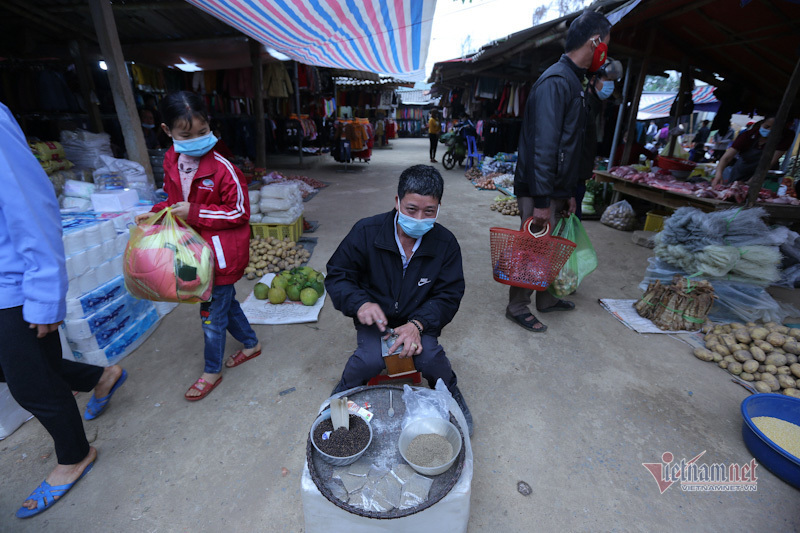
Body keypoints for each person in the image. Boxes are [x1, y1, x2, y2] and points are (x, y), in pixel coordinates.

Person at [0, 102, 128, 519]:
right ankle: (102, 375)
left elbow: (30, 207)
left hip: (11, 286)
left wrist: (43, 292)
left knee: (30, 384)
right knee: (21, 366)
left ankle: (75, 453)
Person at [325, 165, 473, 434]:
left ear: (438, 208)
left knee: (431, 357)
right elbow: (338, 275)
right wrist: (360, 303)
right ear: (397, 202)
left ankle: (451, 394)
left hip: (418, 320)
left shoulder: (445, 243)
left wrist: (417, 324)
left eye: (429, 211)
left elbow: (449, 294)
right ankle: (340, 397)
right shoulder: (366, 232)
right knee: (367, 361)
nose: (419, 218)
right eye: (411, 209)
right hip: (377, 321)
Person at [134, 91, 260, 401]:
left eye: (202, 132)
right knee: (224, 305)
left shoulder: (223, 168)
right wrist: (159, 211)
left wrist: (197, 212)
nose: (197, 139)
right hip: (191, 251)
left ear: (210, 125)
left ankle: (211, 371)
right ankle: (252, 343)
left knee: (210, 315)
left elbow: (240, 212)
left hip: (219, 257)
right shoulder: (171, 161)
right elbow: (174, 199)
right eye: (186, 134)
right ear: (168, 131)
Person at [508, 10, 611, 333]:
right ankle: (517, 305)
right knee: (533, 246)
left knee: (549, 247)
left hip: (556, 188)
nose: (606, 52)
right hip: (540, 186)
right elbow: (544, 146)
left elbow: (571, 145)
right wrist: (542, 199)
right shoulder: (556, 81)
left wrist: (568, 193)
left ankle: (546, 298)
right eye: (606, 44)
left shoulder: (573, 81)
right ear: (595, 42)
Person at [577, 57, 622, 219]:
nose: (610, 86)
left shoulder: (595, 104)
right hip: (572, 177)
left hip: (580, 175)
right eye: (606, 80)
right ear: (593, 79)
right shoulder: (581, 104)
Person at [712, 116, 794, 187]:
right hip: (741, 171)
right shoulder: (748, 135)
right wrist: (718, 174)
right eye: (767, 126)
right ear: (762, 123)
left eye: (774, 129)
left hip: (764, 175)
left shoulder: (785, 138)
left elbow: (769, 162)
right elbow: (726, 158)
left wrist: (751, 181)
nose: (769, 130)